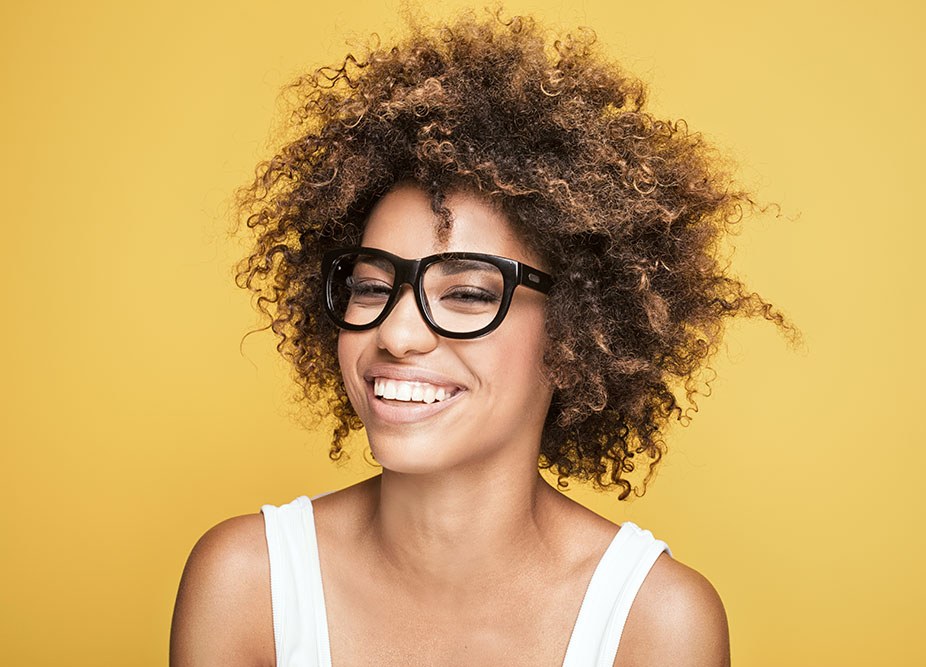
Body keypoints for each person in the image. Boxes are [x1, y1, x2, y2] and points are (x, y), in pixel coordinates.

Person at [170, 9, 794, 666]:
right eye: (372, 286)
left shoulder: (656, 623)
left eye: (467, 293)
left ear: (578, 328)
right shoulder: (247, 586)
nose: (398, 332)